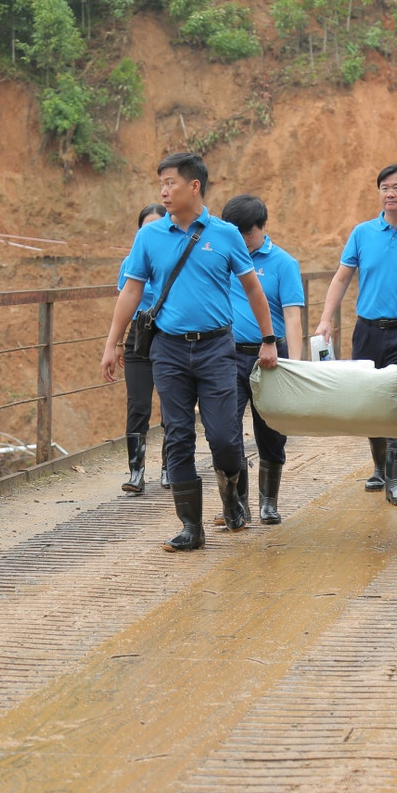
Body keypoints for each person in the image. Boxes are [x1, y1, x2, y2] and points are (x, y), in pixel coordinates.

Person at [100, 152, 279, 553]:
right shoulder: (149, 237)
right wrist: (113, 343)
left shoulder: (226, 234)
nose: (163, 191)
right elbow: (131, 291)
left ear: (194, 186)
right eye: (161, 184)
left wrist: (268, 339)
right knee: (178, 435)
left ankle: (232, 498)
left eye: (171, 182)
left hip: (217, 348)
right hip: (168, 349)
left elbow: (253, 288)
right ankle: (190, 527)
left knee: (224, 437)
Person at [315, 163, 397, 507]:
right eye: (384, 187)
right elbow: (342, 278)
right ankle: (380, 467)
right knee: (370, 402)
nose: (390, 193)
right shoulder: (362, 233)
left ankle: (395, 480)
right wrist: (325, 320)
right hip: (367, 331)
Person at [220, 194, 304, 526]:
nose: (242, 240)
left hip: (270, 356)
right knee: (226, 430)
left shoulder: (284, 263)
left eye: (248, 233)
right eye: (235, 233)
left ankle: (268, 502)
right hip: (227, 355)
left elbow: (293, 316)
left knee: (270, 430)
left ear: (264, 226)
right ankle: (237, 504)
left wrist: (294, 365)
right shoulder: (222, 259)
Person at [118, 204, 169, 495]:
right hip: (139, 336)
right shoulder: (130, 262)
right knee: (138, 405)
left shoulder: (174, 260)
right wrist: (115, 343)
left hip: (169, 334)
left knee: (172, 404)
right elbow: (125, 304)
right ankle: (136, 472)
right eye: (145, 229)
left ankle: (169, 467)